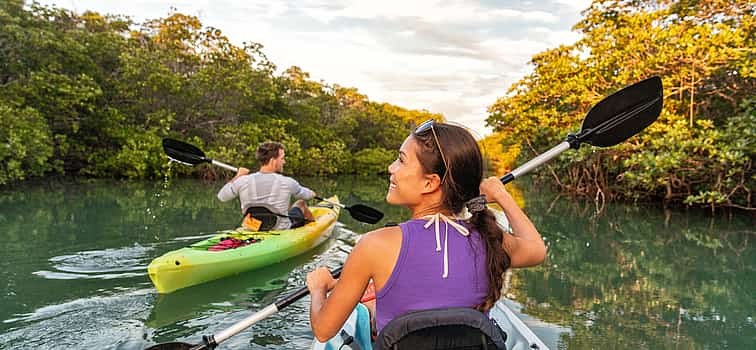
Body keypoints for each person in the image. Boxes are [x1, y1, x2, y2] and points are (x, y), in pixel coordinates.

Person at [306, 120, 547, 342]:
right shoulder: (489, 238)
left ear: (429, 183)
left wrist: (319, 288)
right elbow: (536, 250)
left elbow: (324, 330)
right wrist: (503, 197)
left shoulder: (374, 245)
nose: (391, 168)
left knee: (370, 309)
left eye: (401, 160)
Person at [217, 141, 315, 230]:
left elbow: (222, 197)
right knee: (300, 203)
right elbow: (307, 195)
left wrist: (238, 176)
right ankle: (315, 229)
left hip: (252, 228)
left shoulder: (243, 180)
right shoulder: (287, 182)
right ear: (273, 160)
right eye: (282, 158)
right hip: (280, 230)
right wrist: (313, 193)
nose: (284, 162)